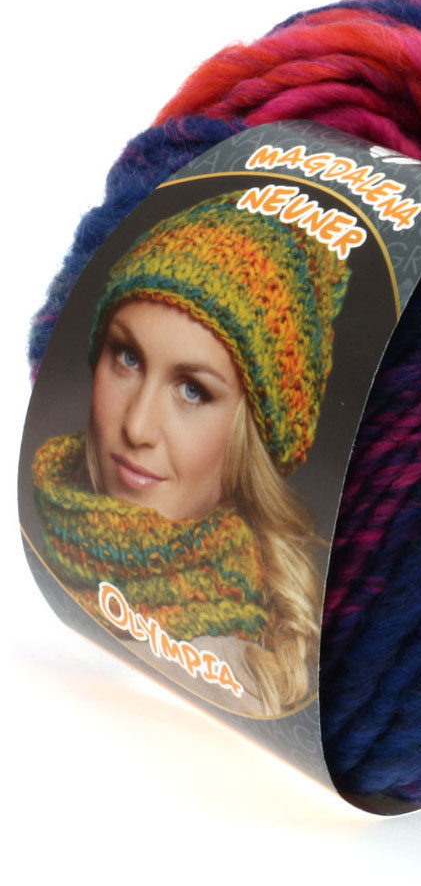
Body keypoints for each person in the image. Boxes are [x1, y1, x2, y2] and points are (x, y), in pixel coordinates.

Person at [31, 192, 352, 717]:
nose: (136, 426)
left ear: (252, 438)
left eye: (193, 391)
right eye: (127, 357)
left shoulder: (253, 676)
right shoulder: (34, 555)